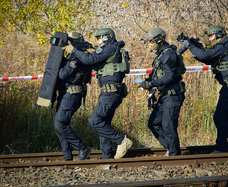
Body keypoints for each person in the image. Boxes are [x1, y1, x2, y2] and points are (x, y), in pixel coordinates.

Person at [62, 28, 132, 159]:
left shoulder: (110, 48)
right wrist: (82, 52)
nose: (98, 42)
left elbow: (90, 60)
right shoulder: (110, 50)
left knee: (94, 121)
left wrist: (74, 50)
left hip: (110, 92)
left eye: (99, 39)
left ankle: (122, 141)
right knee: (103, 124)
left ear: (107, 37)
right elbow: (91, 61)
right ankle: (107, 158)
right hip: (110, 92)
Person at [179, 25, 228, 154]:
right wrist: (195, 46)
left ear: (219, 35)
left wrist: (189, 45)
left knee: (219, 116)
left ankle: (221, 148)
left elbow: (206, 55)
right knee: (225, 116)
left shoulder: (225, 45)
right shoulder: (226, 45)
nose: (210, 39)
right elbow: (208, 59)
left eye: (211, 36)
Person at [139, 27, 186, 156]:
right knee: (154, 123)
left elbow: (169, 77)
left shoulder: (168, 54)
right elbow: (157, 75)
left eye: (151, 42)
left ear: (159, 40)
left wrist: (151, 83)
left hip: (173, 94)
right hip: (165, 95)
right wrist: (147, 82)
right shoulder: (161, 55)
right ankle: (172, 149)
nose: (150, 44)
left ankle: (174, 155)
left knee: (168, 126)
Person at [54, 31, 92, 161]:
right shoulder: (75, 55)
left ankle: (82, 148)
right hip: (66, 94)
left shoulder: (77, 56)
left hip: (71, 95)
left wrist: (57, 65)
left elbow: (63, 75)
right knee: (59, 125)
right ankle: (67, 156)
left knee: (60, 124)